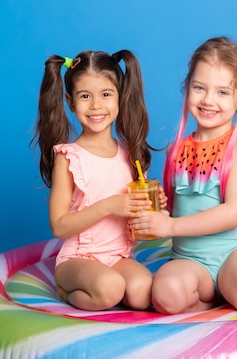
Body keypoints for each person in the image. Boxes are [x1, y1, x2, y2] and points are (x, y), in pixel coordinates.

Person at [131, 37, 237, 316]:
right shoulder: (176, 149)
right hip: (188, 260)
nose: (208, 100)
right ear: (187, 88)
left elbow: (233, 213)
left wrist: (170, 228)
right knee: (166, 296)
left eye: (222, 93)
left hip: (232, 255)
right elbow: (175, 208)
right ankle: (214, 298)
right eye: (199, 88)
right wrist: (154, 214)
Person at [31, 49, 158, 311]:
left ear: (120, 97)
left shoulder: (130, 153)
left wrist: (152, 209)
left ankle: (107, 288)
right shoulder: (69, 157)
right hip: (77, 259)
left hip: (117, 256)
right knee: (110, 288)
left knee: (143, 292)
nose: (96, 105)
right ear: (70, 101)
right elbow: (59, 226)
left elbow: (138, 222)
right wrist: (110, 206)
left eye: (106, 94)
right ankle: (66, 290)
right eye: (85, 96)